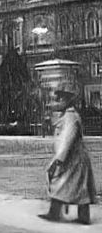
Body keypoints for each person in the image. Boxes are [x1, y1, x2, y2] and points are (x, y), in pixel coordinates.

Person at [39, 84, 97, 225]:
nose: (57, 101)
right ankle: (78, 216)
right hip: (73, 158)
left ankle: (58, 213)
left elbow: (67, 139)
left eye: (60, 98)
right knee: (75, 186)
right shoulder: (68, 115)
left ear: (68, 100)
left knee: (64, 183)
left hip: (73, 159)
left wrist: (59, 159)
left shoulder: (71, 117)